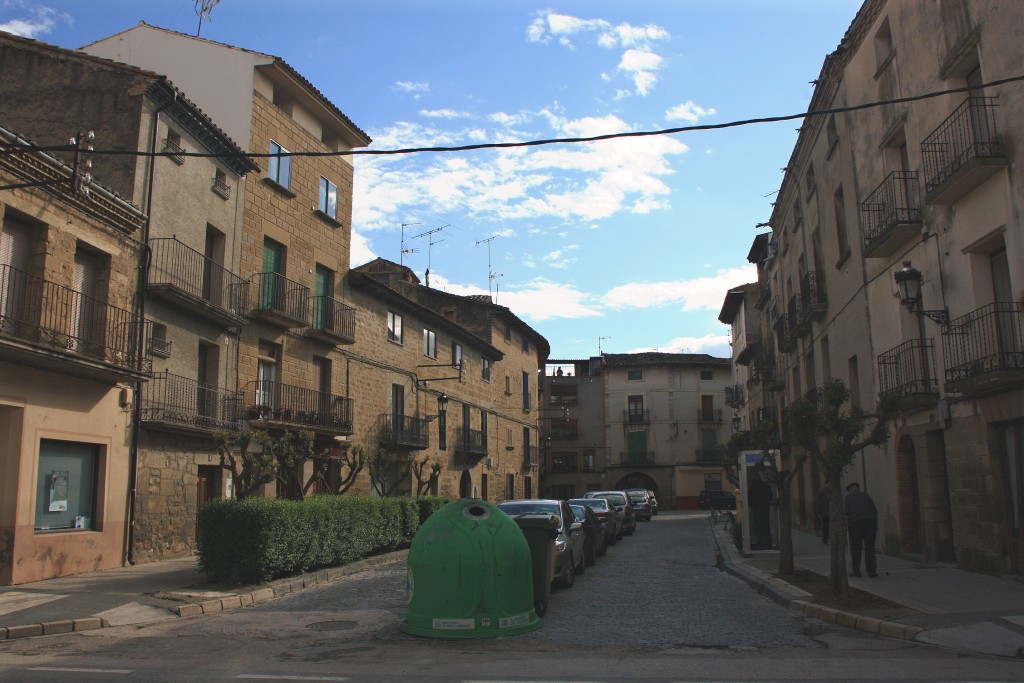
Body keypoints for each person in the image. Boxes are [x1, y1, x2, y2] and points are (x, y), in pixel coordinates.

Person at [844, 482, 878, 577]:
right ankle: (872, 572)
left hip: (856, 524)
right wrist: (875, 525)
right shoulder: (866, 496)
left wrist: (846, 526)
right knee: (870, 548)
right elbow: (874, 511)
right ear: (858, 488)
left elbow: (846, 513)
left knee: (856, 548)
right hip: (870, 523)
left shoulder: (849, 497)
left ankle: (856, 571)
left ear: (850, 489)